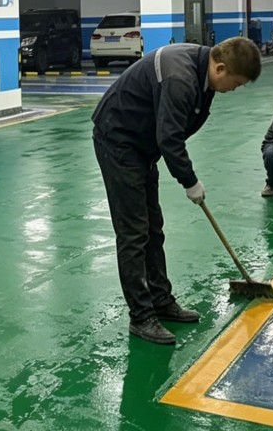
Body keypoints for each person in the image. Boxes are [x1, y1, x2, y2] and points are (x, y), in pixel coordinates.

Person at [91, 38, 262, 345]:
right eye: (236, 83)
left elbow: (174, 130)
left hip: (142, 144)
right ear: (220, 68)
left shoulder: (203, 75)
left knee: (153, 228)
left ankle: (160, 300)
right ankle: (141, 316)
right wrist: (189, 181)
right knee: (133, 232)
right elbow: (170, 138)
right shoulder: (179, 78)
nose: (234, 90)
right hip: (118, 140)